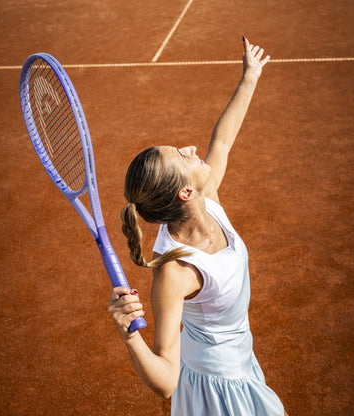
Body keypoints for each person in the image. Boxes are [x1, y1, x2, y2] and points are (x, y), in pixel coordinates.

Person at [108, 37, 288, 416]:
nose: (192, 148)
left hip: (241, 362)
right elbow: (167, 382)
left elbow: (221, 143)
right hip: (219, 391)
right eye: (182, 155)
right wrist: (129, 336)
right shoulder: (175, 271)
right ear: (185, 192)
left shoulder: (206, 200)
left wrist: (250, 76)